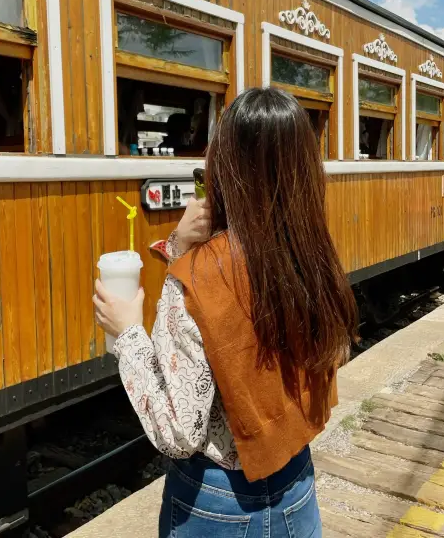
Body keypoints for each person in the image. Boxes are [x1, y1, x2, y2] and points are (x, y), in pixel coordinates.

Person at [94, 87, 359, 537]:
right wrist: (180, 246)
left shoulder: (196, 278)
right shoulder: (312, 253)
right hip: (297, 485)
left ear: (225, 166)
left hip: (219, 506)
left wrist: (128, 335)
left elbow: (179, 434)